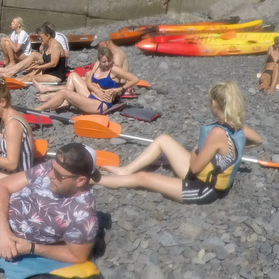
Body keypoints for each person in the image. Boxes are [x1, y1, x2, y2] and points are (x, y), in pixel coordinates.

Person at [97, 81, 262, 204]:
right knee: (163, 140)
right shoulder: (238, 125)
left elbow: (196, 168)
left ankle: (95, 180)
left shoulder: (217, 133)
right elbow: (257, 141)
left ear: (214, 104)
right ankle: (125, 171)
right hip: (205, 175)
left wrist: (196, 151)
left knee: (143, 178)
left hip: (204, 189)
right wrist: (230, 153)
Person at [32, 47, 139, 114]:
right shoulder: (97, 65)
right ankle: (65, 102)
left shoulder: (114, 69)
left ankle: (40, 109)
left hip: (100, 104)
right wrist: (97, 90)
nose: (107, 64)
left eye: (109, 61)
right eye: (104, 62)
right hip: (92, 95)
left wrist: (118, 90)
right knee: (73, 75)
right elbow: (88, 81)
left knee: (64, 92)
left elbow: (135, 79)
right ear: (99, 60)